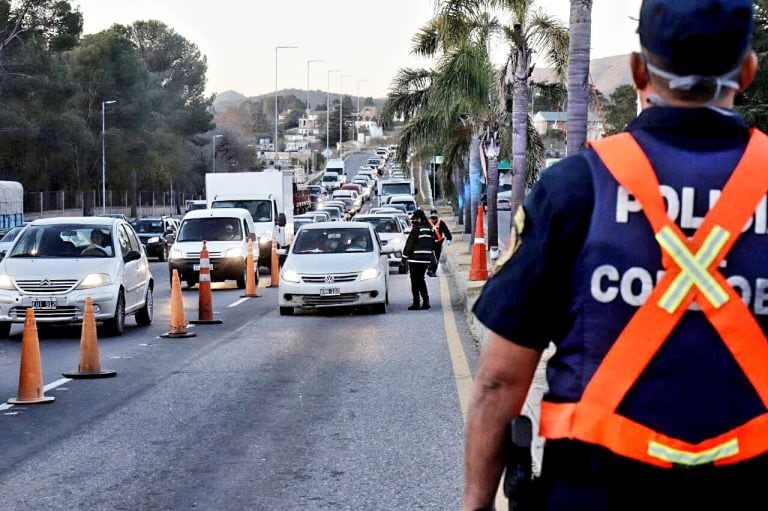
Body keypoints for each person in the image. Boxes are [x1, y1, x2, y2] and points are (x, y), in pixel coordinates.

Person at [462, 1, 768, 509]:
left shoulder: (576, 187)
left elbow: (498, 382)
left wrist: (475, 503)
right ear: (749, 71)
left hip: (593, 492)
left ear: (638, 70)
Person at [402, 209, 436, 310]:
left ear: (419, 219)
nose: (413, 221)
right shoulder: (429, 229)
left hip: (415, 259)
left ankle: (416, 302)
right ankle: (426, 301)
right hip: (425, 259)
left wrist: (404, 257)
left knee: (414, 280)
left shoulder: (416, 229)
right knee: (420, 279)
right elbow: (433, 244)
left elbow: (410, 244)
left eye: (414, 219)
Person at [427, 208, 452, 277]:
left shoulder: (441, 222)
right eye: (432, 215)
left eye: (435, 215)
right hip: (429, 243)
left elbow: (446, 231)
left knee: (437, 257)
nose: (433, 217)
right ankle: (430, 270)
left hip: (438, 243)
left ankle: (433, 271)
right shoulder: (427, 223)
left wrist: (449, 238)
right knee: (430, 257)